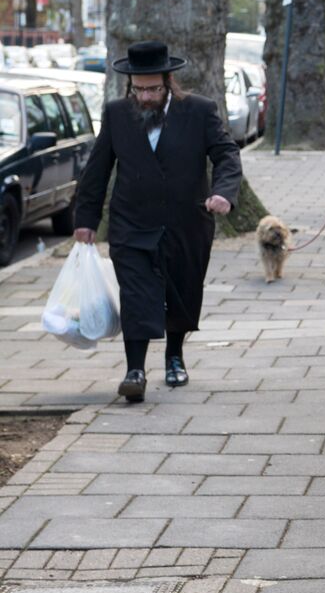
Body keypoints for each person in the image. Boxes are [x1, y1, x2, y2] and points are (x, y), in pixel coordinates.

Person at [73, 40, 243, 403]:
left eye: (153, 89)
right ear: (129, 86)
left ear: (168, 82)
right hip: (132, 224)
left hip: (186, 223)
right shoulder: (118, 113)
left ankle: (174, 355)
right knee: (136, 295)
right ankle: (134, 370)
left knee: (180, 292)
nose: (146, 96)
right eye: (139, 89)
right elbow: (97, 170)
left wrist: (225, 193)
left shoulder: (199, 111)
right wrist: (85, 219)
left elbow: (226, 153)